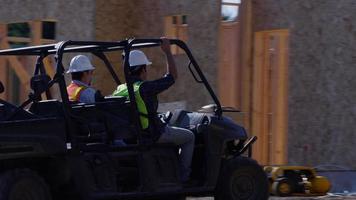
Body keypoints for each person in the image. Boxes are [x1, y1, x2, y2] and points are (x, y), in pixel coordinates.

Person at [112, 37, 195, 182]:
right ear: (142, 69)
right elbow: (172, 77)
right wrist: (168, 52)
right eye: (146, 68)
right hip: (152, 134)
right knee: (189, 137)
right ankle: (183, 178)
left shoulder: (120, 89)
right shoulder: (144, 88)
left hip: (132, 136)